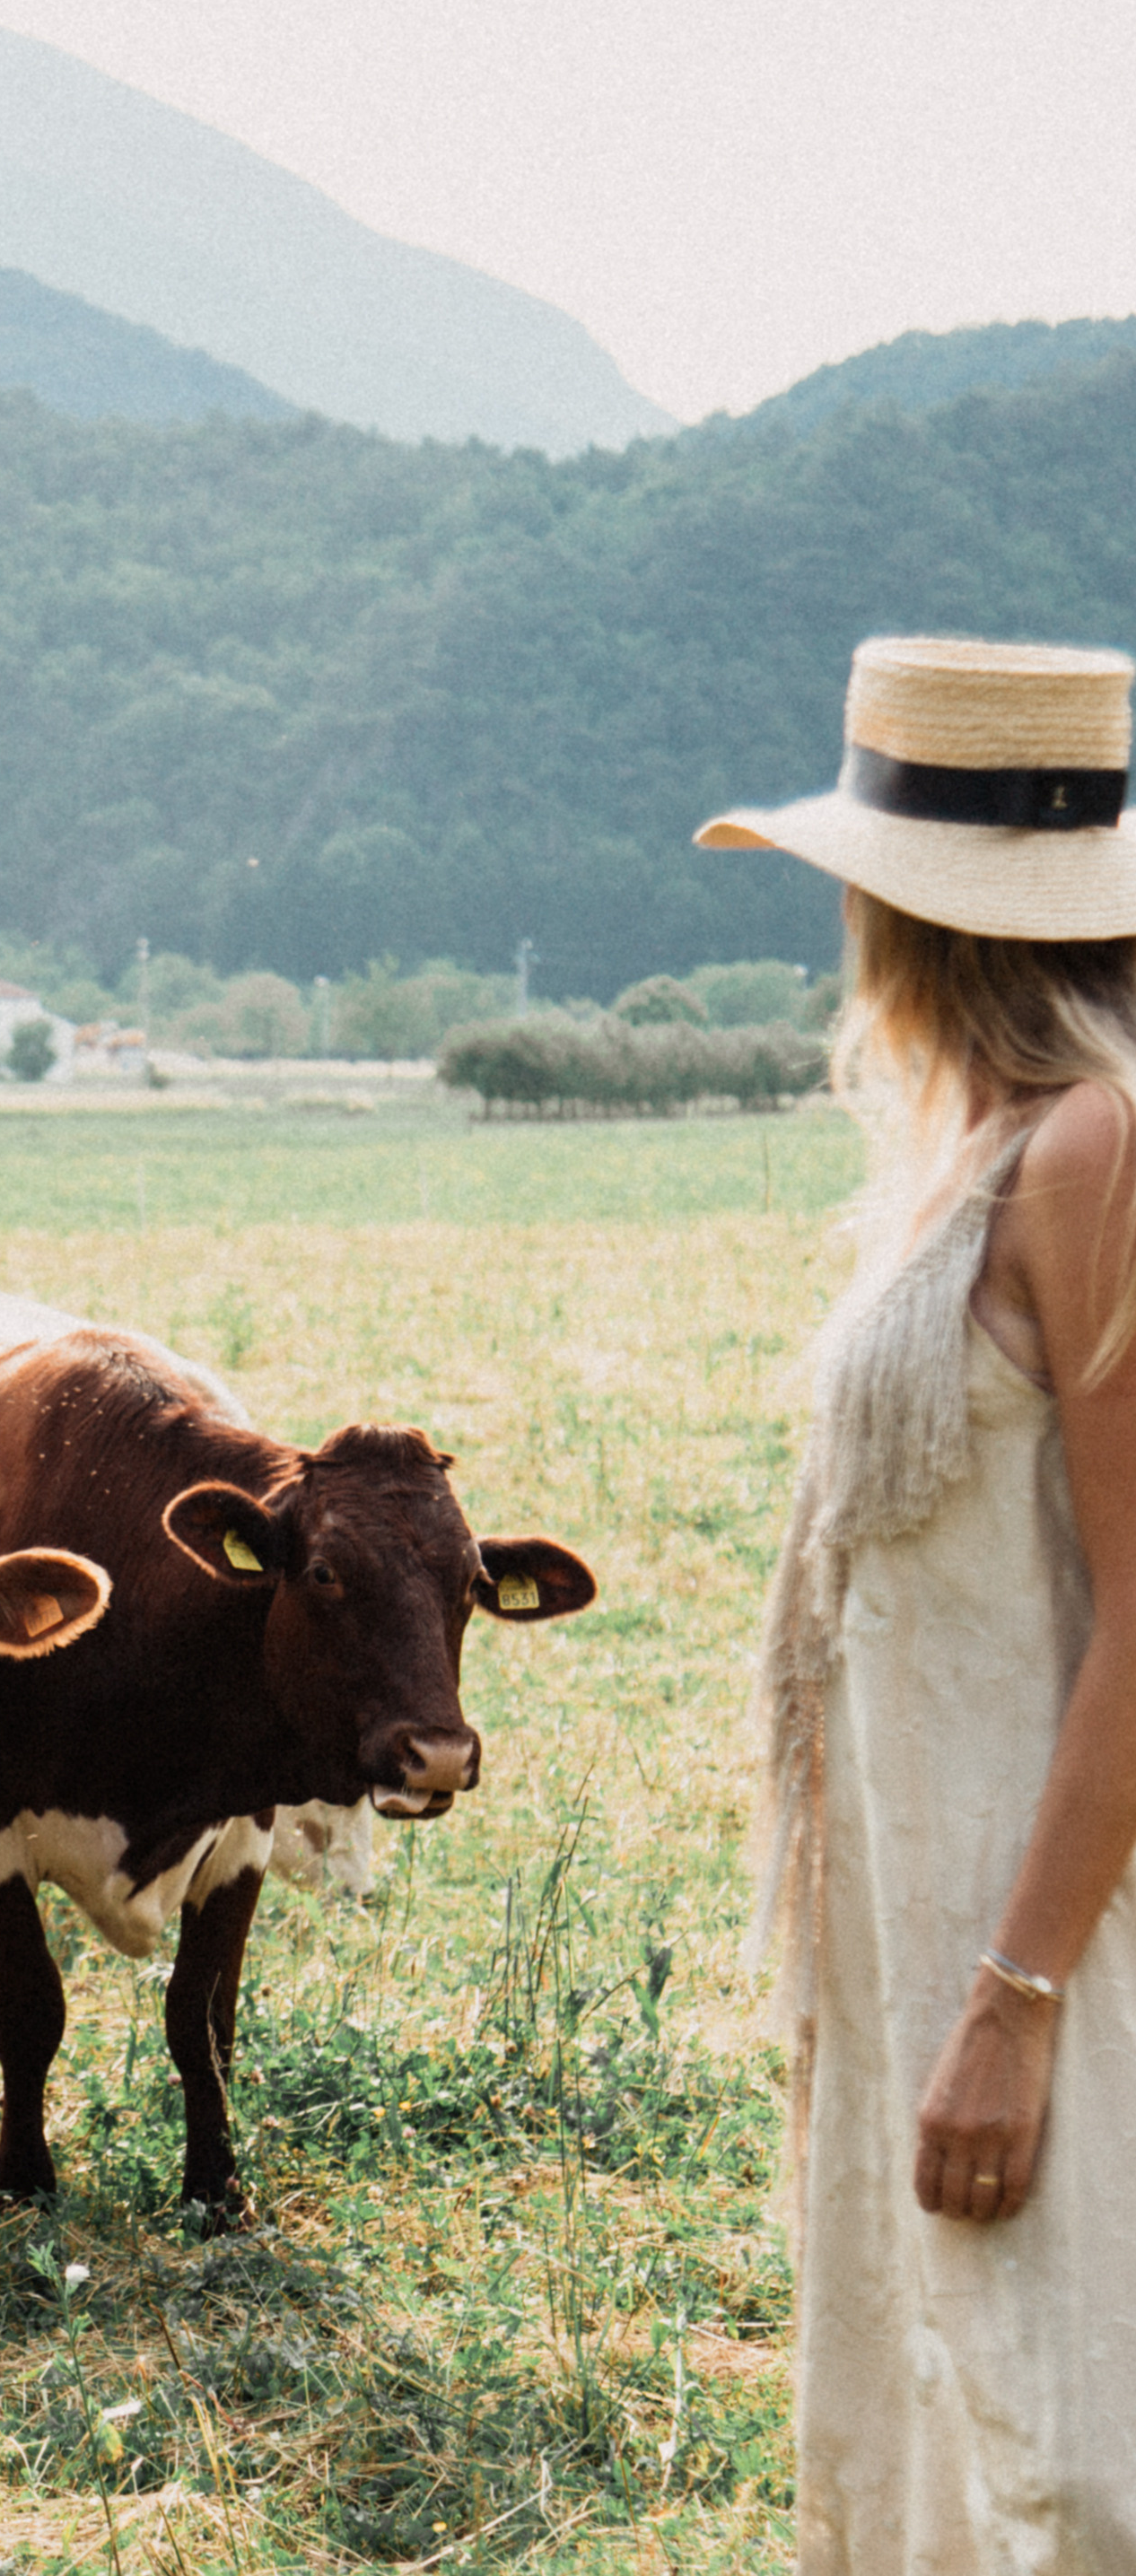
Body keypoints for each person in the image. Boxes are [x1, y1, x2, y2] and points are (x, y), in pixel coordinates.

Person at [696, 634, 1136, 2572]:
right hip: (924, 1902)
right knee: (955, 2394)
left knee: (1064, 2426)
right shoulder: (981, 1138)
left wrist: (1017, 1997)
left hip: (1042, 1918)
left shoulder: (1093, 1149)